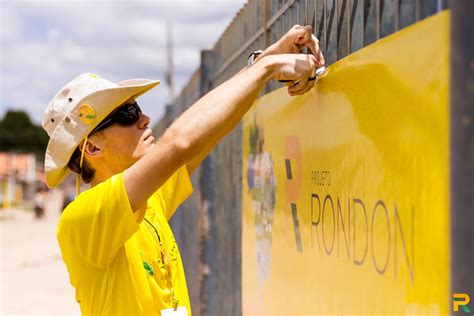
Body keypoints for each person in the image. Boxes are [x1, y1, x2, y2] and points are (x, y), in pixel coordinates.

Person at [42, 25, 324, 316]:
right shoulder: (83, 218)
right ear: (92, 149)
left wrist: (269, 57)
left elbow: (211, 130)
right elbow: (181, 142)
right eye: (128, 115)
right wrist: (268, 67)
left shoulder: (146, 200)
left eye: (137, 108)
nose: (144, 118)